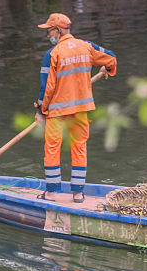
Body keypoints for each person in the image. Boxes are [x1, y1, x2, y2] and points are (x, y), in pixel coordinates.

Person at [34, 13, 118, 201]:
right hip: (81, 109)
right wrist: (107, 69)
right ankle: (78, 194)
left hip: (57, 111)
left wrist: (40, 111)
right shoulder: (87, 47)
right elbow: (111, 58)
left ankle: (51, 192)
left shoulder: (52, 54)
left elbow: (46, 87)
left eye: (49, 31)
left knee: (52, 148)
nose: (48, 35)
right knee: (79, 147)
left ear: (58, 30)